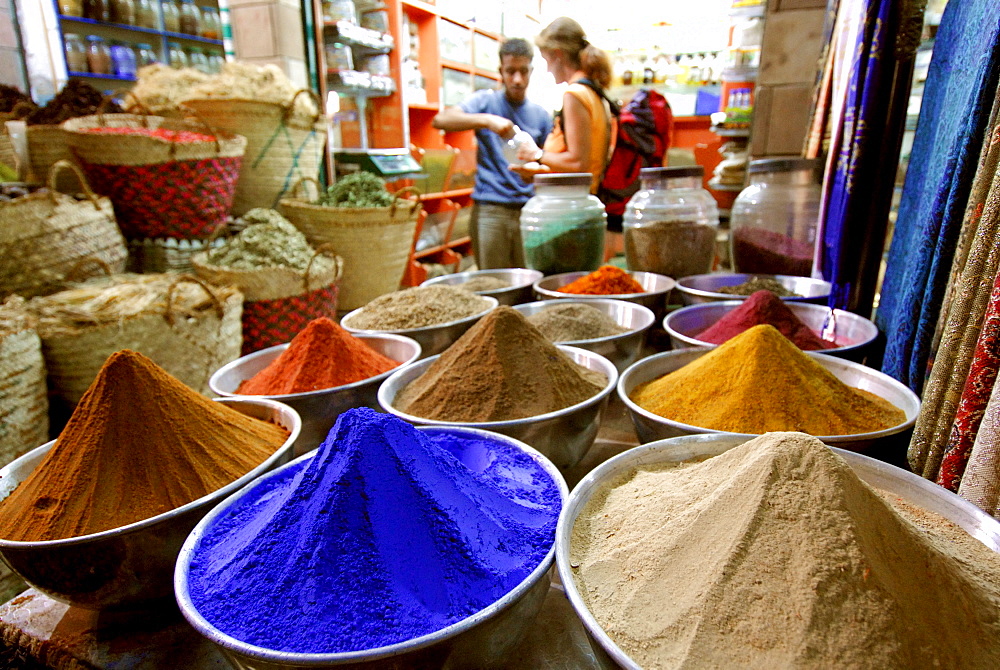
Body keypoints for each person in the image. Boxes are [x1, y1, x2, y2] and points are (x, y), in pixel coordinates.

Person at [432, 38, 552, 269]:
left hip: (530, 209)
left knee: (532, 277)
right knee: (493, 282)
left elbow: (548, 163)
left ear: (531, 71)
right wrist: (486, 120)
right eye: (510, 71)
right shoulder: (485, 102)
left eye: (523, 71)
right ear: (501, 71)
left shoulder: (541, 116)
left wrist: (534, 170)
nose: (517, 79)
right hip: (490, 209)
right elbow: (440, 120)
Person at [512, 17, 620, 257]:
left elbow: (578, 164)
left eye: (546, 60)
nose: (548, 69)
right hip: (583, 205)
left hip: (569, 213)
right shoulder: (595, 93)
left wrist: (537, 155)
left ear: (558, 54)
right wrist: (541, 171)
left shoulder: (574, 95)